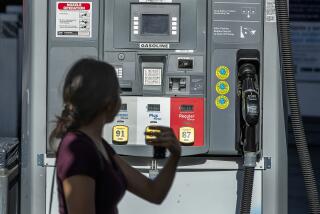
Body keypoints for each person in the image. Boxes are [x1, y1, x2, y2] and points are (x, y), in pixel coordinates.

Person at [50, 58, 181, 214]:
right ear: (108, 102)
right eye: (118, 93)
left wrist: (175, 154)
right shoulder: (78, 149)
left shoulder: (99, 145)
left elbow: (153, 192)